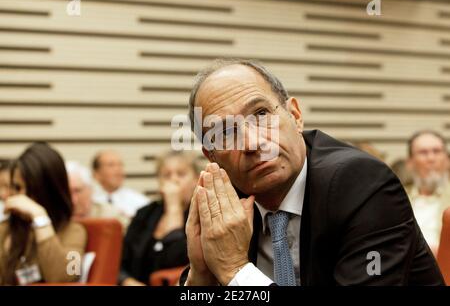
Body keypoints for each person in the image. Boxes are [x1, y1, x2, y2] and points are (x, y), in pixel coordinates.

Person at [182, 59, 444, 286]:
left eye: (261, 114)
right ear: (212, 156)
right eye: (226, 132)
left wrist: (234, 270)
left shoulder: (361, 183)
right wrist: (201, 275)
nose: (252, 143)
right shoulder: (223, 203)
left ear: (295, 115)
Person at [0, 143, 87, 285]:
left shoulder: (74, 232)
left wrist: (40, 217)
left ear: (48, 190)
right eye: (15, 187)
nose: (17, 195)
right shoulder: (4, 229)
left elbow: (68, 276)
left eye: (24, 188)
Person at [119, 150, 199, 286]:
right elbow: (120, 261)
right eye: (166, 175)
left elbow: (177, 260)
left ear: (196, 179)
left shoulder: (201, 213)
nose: (174, 180)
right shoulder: (145, 213)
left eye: (181, 174)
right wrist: (128, 281)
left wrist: (174, 207)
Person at [406, 130, 450, 254]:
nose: (431, 158)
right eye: (423, 153)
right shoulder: (396, 199)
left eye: (437, 151)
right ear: (410, 163)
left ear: (447, 160)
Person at [66, 161, 129, 229]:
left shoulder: (111, 216)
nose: (73, 200)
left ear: (90, 190)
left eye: (77, 191)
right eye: (67, 193)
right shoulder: (55, 220)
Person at [91, 150, 148, 225]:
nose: (118, 169)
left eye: (120, 165)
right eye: (111, 165)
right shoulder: (88, 201)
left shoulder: (140, 202)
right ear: (96, 174)